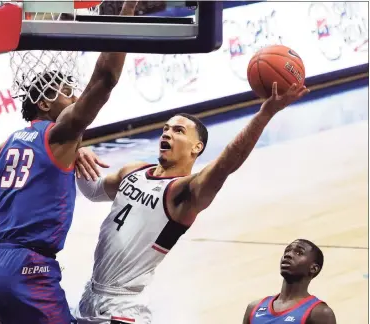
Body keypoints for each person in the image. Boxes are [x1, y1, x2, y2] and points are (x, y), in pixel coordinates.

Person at [73, 82, 310, 323]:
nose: (167, 133)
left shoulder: (184, 193)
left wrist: (265, 113)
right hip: (90, 294)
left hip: (123, 307)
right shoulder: (133, 171)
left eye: (178, 131)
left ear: (197, 147)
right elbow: (92, 191)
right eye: (166, 129)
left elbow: (226, 163)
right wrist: (78, 151)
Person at [0, 1, 139, 323]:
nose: (74, 100)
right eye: (67, 93)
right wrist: (124, 14)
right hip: (31, 267)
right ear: (44, 102)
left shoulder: (7, 146)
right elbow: (105, 79)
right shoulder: (60, 135)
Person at [242, 239, 336, 324]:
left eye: (299, 253)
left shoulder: (319, 313)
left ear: (314, 268)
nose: (288, 255)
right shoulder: (254, 308)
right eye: (287, 251)